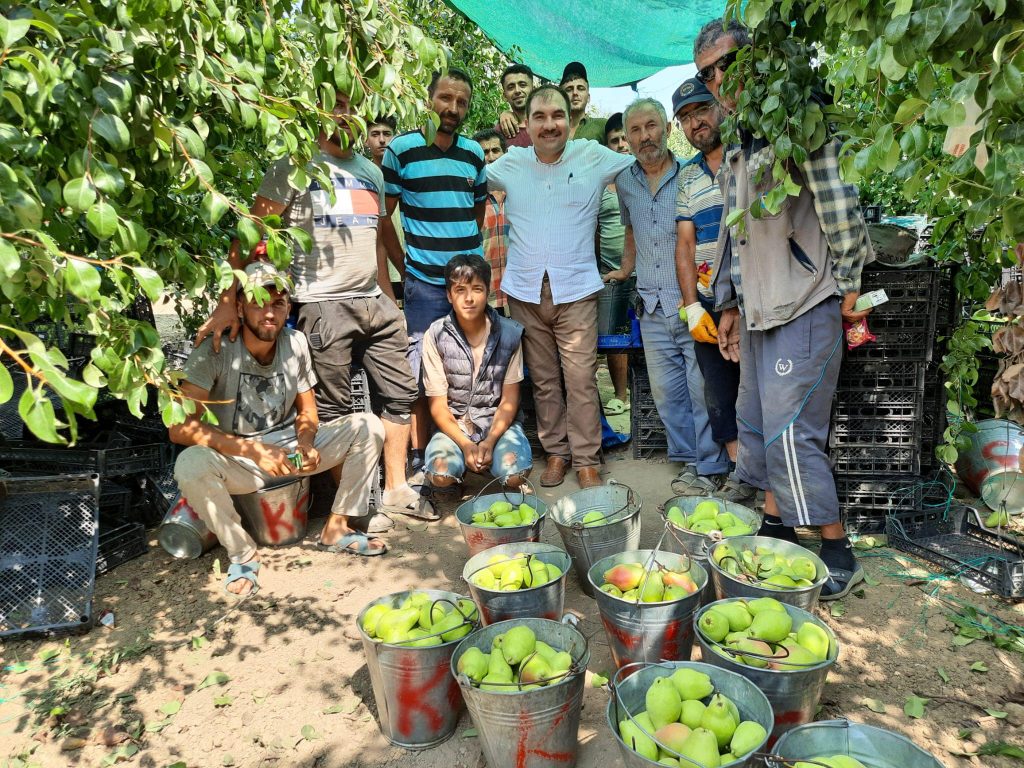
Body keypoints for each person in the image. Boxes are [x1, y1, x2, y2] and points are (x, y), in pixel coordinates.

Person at [695, 18, 873, 599]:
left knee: (794, 433)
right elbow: (730, 236)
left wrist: (850, 280)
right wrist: (728, 307)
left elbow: (838, 198)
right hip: (760, 310)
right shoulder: (737, 148)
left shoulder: (798, 119)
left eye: (726, 64)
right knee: (758, 424)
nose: (718, 79)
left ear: (755, 59)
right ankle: (775, 528)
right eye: (707, 74)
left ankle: (835, 545)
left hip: (806, 301)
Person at [195, 92, 429, 530]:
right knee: (335, 408)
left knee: (401, 392)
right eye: (334, 104)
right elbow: (252, 232)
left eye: (351, 105)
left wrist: (391, 296)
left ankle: (396, 488)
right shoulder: (293, 166)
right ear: (317, 110)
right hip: (321, 303)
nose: (344, 114)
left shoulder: (370, 173)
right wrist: (228, 299)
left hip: (373, 300)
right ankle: (353, 505)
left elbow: (377, 236)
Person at [172, 263, 387, 596]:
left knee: (367, 425)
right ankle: (243, 556)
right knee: (190, 463)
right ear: (240, 306)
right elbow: (179, 428)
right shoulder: (215, 349)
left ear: (288, 307)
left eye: (278, 303)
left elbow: (308, 409)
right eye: (259, 302)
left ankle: (338, 527)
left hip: (289, 452)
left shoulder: (295, 343)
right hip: (239, 460)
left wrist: (307, 442)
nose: (269, 313)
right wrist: (252, 450)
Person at [487, 84, 634, 488]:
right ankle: (556, 453)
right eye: (540, 117)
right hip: (525, 292)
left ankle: (587, 459)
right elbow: (468, 175)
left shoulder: (593, 156)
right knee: (545, 379)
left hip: (575, 291)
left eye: (557, 116)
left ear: (571, 121)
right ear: (526, 123)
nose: (549, 124)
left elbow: (640, 163)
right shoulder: (510, 163)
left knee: (581, 378)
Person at [606, 97, 730, 494]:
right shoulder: (625, 183)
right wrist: (626, 269)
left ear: (668, 129)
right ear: (627, 139)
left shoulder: (691, 175)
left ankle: (711, 466)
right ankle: (690, 461)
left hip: (692, 302)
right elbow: (629, 232)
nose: (645, 137)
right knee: (666, 392)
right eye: (636, 130)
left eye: (652, 126)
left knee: (702, 388)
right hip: (651, 304)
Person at [380, 68, 487, 479]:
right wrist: (404, 266)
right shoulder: (401, 151)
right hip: (424, 284)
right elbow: (383, 219)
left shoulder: (473, 154)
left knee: (472, 367)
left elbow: (474, 214)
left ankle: (466, 448)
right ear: (429, 100)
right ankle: (421, 457)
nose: (453, 108)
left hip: (469, 286)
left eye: (461, 101)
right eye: (446, 98)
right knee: (422, 372)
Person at [673, 77, 756, 503]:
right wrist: (691, 307)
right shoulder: (687, 177)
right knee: (718, 392)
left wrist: (737, 304)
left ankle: (771, 478)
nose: (695, 123)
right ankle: (742, 477)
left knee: (758, 390)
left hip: (752, 299)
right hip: (707, 303)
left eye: (701, 110)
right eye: (685, 119)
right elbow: (684, 244)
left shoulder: (748, 157)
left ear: (720, 106)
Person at [421, 254, 532, 490]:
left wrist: (490, 441)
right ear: (449, 295)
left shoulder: (510, 333)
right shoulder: (436, 334)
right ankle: (463, 466)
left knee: (515, 475)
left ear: (488, 292)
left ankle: (492, 462)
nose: (469, 298)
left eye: (477, 289)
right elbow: (438, 406)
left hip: (498, 425)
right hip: (455, 427)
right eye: (460, 290)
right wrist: (465, 444)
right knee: (441, 475)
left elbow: (510, 400)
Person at [597, 113, 631, 413]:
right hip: (609, 272)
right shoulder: (602, 184)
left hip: (646, 272)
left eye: (624, 138)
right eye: (614, 141)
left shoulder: (642, 178)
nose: (621, 145)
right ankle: (620, 395)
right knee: (612, 334)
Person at [366, 114, 405, 287]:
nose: (382, 140)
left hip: (410, 267)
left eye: (387, 134)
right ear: (365, 140)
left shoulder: (408, 172)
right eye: (375, 134)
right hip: (376, 270)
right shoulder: (361, 177)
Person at [473, 128, 509, 310]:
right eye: (484, 152)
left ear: (505, 154)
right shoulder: (470, 201)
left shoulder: (521, 195)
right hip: (485, 298)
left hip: (519, 296)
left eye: (496, 150)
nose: (491, 157)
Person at [560, 62, 607, 144]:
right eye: (569, 89)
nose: (575, 93)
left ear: (588, 97)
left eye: (580, 88)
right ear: (561, 97)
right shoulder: (552, 128)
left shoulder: (602, 126)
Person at [495, 63, 535, 148]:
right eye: (510, 87)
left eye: (522, 85)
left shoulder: (548, 123)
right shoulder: (499, 132)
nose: (517, 90)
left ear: (533, 90)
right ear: (505, 96)